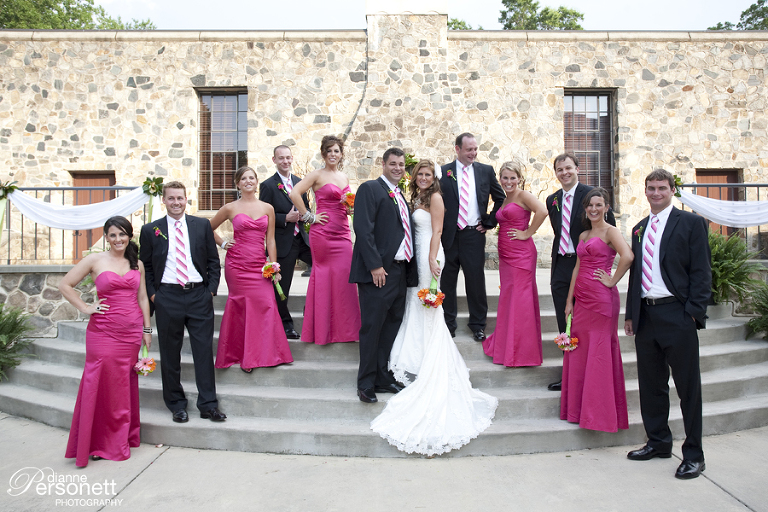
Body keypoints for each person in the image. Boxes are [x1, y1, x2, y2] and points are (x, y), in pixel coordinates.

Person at [372, 159, 498, 456]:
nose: (424, 177)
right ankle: (414, 347)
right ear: (415, 177)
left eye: (428, 174)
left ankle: (426, 350)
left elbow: (438, 231)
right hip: (415, 252)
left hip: (429, 253)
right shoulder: (416, 196)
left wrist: (431, 258)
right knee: (413, 300)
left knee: (426, 301)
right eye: (420, 174)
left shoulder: (437, 198)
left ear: (434, 177)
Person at [624, 169, 711, 480]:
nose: (656, 193)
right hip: (646, 316)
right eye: (651, 188)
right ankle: (658, 442)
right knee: (651, 386)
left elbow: (702, 271)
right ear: (645, 191)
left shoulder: (691, 223)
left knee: (688, 388)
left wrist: (693, 312)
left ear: (672, 190)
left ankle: (694, 455)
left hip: (677, 314)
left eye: (662, 187)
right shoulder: (639, 228)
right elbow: (636, 275)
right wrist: (631, 314)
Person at [59, 216, 151, 467]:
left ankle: (118, 439)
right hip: (102, 331)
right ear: (107, 237)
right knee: (99, 384)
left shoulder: (137, 264)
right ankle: (98, 442)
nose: (118, 239)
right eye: (113, 235)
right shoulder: (94, 260)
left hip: (131, 332)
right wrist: (86, 308)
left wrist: (147, 329)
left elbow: (143, 297)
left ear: (129, 236)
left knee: (122, 386)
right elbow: (65, 284)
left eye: (122, 234)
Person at [139, 181, 225, 423]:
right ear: (164, 201)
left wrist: (210, 291)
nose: (176, 202)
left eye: (180, 198)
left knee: (203, 353)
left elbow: (213, 260)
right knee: (170, 354)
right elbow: (146, 267)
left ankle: (208, 405)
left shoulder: (201, 225)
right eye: (171, 198)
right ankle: (176, 404)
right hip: (167, 297)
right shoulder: (151, 230)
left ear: (186, 200)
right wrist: (155, 295)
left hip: (199, 296)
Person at [560, 187, 633, 432]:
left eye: (598, 205)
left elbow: (628, 256)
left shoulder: (611, 231)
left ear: (606, 207)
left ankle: (599, 415)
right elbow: (576, 268)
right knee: (581, 351)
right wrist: (569, 301)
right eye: (590, 205)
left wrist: (612, 281)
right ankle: (579, 411)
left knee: (599, 352)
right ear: (585, 209)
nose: (593, 209)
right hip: (581, 302)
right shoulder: (583, 235)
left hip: (601, 301)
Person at [349, 147, 416, 403]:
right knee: (372, 327)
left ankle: (382, 377)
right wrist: (375, 265)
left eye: (401, 164)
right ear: (383, 164)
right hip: (379, 272)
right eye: (393, 164)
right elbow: (363, 229)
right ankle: (365, 383)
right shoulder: (370, 188)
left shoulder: (399, 194)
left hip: (399, 270)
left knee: (391, 326)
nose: (398, 168)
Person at [211, 166, 293, 372]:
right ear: (237, 184)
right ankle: (243, 355)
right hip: (237, 265)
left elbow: (270, 240)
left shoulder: (267, 208)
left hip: (259, 266)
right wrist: (222, 243)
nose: (248, 181)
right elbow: (206, 228)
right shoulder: (230, 208)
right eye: (243, 179)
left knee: (266, 303)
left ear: (256, 182)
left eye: (251, 178)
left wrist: (273, 266)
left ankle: (268, 353)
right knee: (241, 308)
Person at [545, 153, 615, 391]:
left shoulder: (591, 195)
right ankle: (569, 375)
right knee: (564, 321)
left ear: (577, 168)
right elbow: (559, 232)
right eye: (559, 169)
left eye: (568, 168)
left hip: (585, 266)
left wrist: (606, 271)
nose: (564, 173)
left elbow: (609, 231)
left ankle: (590, 374)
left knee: (585, 323)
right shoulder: (552, 200)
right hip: (560, 266)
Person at [289, 135, 361, 344]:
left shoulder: (344, 177)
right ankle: (322, 330)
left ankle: (345, 330)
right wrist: (309, 216)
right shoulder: (316, 175)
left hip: (343, 232)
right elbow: (294, 193)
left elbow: (346, 205)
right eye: (329, 151)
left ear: (341, 154)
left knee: (344, 278)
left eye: (336, 151)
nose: (333, 154)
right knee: (323, 277)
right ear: (323, 154)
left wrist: (349, 208)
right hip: (323, 232)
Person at [440, 132, 505, 341]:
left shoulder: (485, 171)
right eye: (469, 149)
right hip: (449, 236)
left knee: (475, 282)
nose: (473, 153)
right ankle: (448, 324)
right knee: (447, 282)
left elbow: (501, 199)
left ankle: (478, 325)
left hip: (473, 235)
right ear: (457, 149)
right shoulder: (443, 172)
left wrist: (489, 221)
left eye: (475, 149)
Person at [483, 161, 548, 367]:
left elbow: (542, 211)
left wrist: (527, 233)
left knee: (521, 301)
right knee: (510, 298)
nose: (508, 181)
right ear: (500, 179)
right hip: (506, 256)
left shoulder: (523, 195)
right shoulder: (505, 199)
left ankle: (521, 352)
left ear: (519, 178)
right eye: (505, 178)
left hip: (521, 255)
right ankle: (507, 345)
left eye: (513, 178)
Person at [259, 145, 312, 340]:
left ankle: (312, 310)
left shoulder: (299, 182)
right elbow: (263, 215)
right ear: (274, 160)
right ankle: (285, 324)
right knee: (283, 285)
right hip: (283, 242)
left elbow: (306, 207)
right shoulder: (268, 185)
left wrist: (306, 215)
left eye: (288, 157)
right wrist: (284, 218)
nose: (285, 161)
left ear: (292, 158)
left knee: (322, 267)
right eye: (281, 158)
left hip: (303, 239)